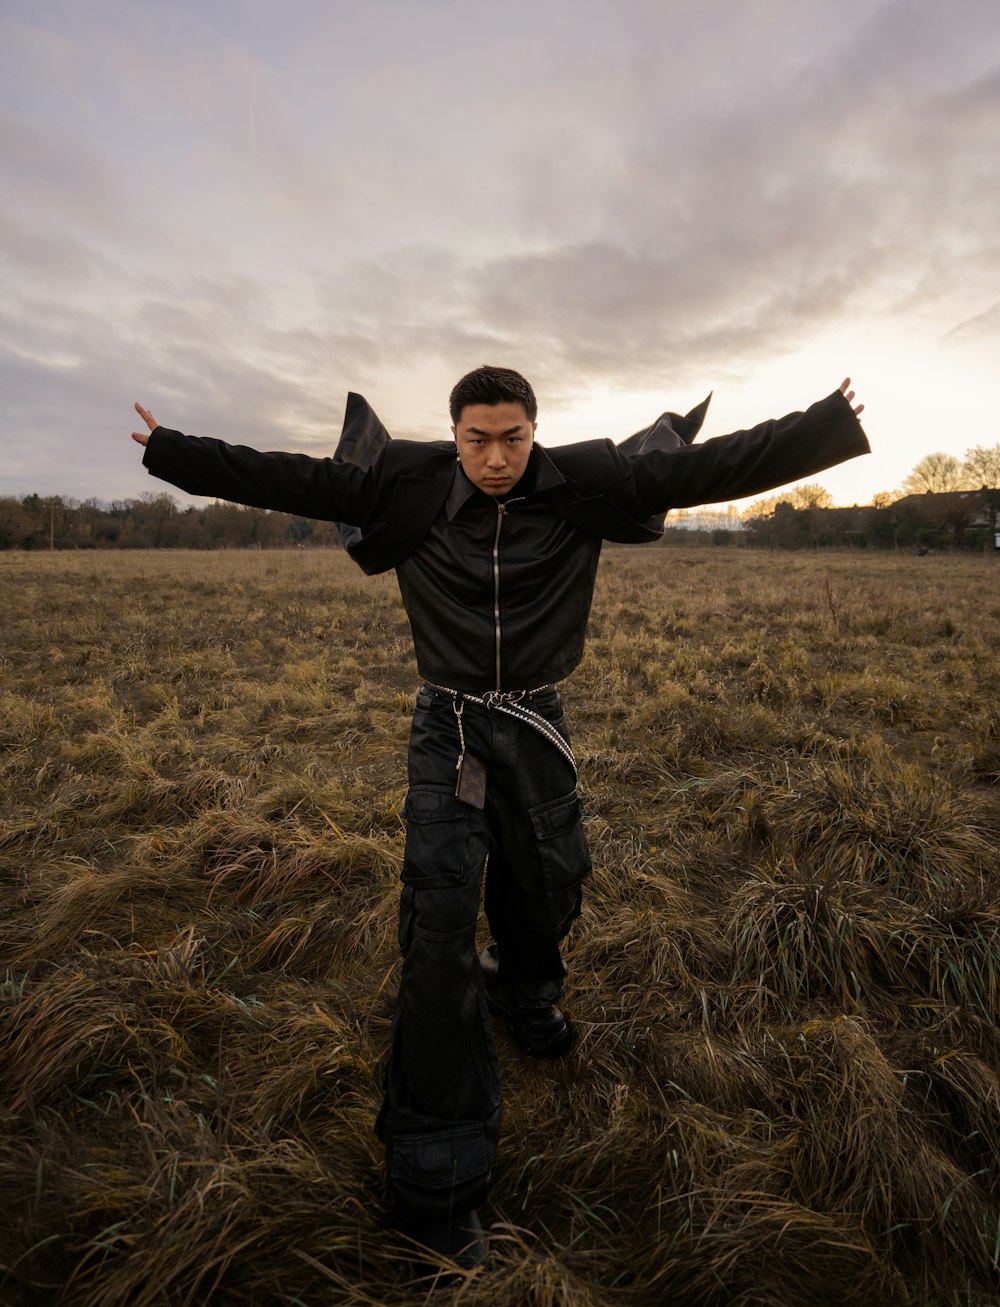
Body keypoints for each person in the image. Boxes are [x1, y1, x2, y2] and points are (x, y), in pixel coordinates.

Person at [132, 366, 868, 1269]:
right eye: (477, 438)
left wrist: (825, 424)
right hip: (446, 728)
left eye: (512, 437)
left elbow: (714, 465)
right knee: (438, 922)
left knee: (547, 881)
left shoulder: (588, 485)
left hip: (535, 723)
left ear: (534, 430)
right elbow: (285, 475)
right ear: (454, 434)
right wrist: (173, 450)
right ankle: (437, 1178)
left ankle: (527, 991)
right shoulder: (404, 488)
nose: (494, 457)